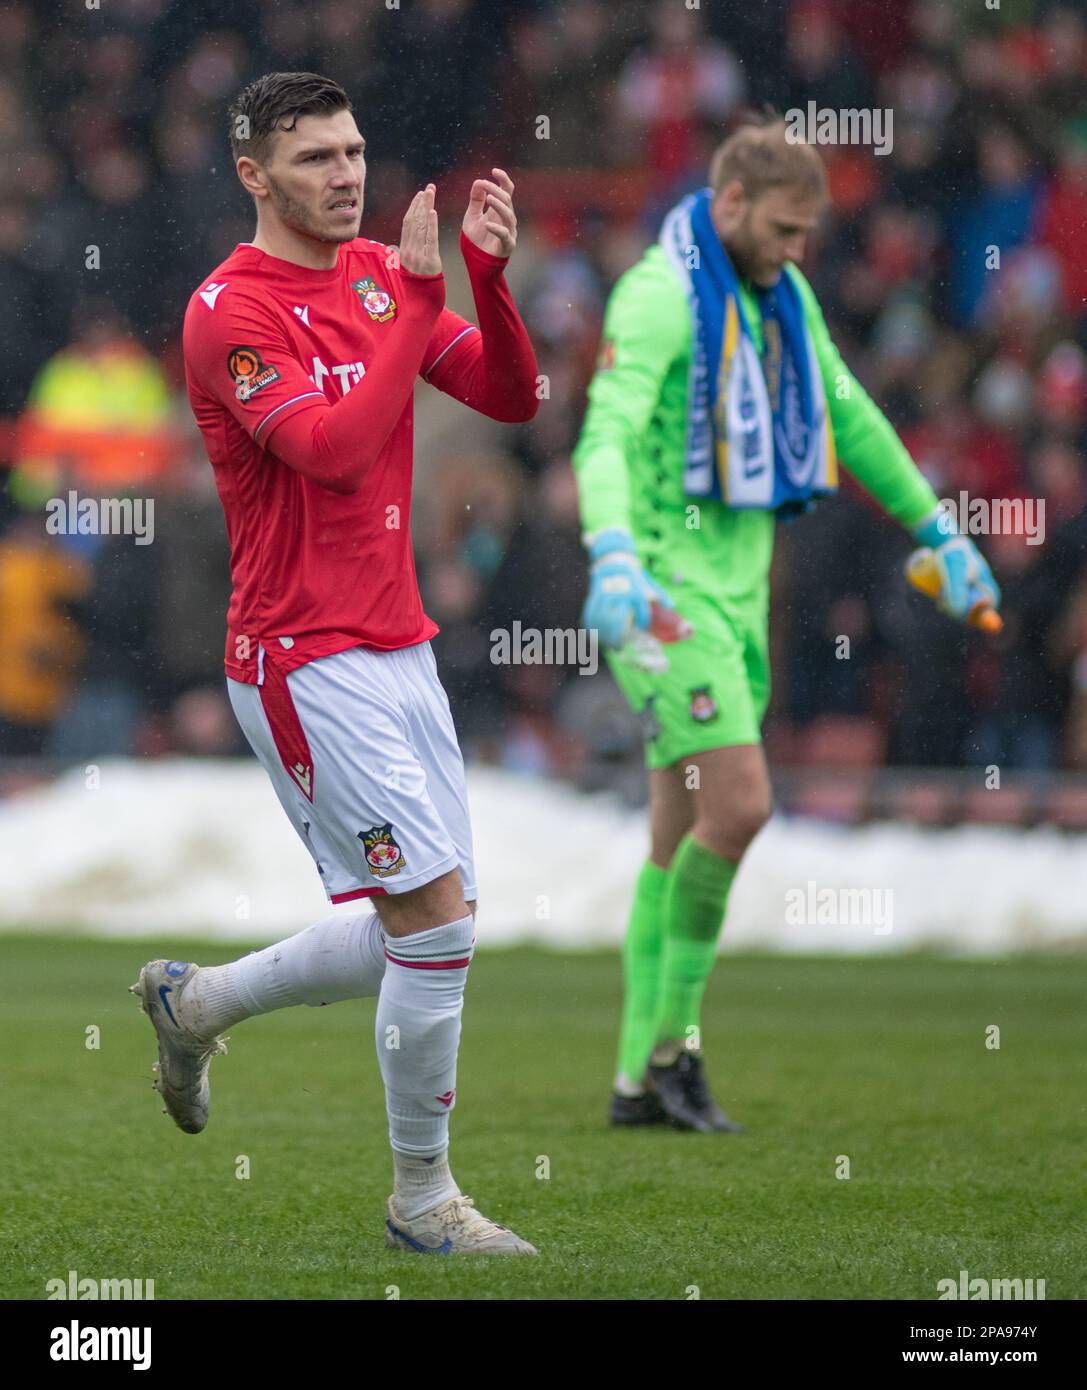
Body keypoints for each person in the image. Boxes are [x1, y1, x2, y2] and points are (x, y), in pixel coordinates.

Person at [133, 71, 539, 1254]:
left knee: (429, 923)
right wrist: (419, 294)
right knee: (435, 923)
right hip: (299, 657)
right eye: (315, 158)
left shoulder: (375, 277)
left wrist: (488, 282)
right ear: (255, 175)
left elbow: (509, 396)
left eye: (354, 150)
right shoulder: (228, 311)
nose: (348, 174)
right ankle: (423, 1202)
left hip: (398, 641)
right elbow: (332, 450)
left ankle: (195, 1002)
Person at [573, 116, 1000, 1133]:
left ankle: (636, 1082)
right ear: (728, 207)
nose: (799, 249)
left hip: (737, 594)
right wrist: (613, 552)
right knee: (743, 805)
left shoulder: (779, 297)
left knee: (677, 834)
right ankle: (677, 1048)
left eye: (809, 232)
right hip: (663, 599)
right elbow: (606, 429)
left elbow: (847, 411)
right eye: (785, 228)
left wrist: (937, 529)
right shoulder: (660, 295)